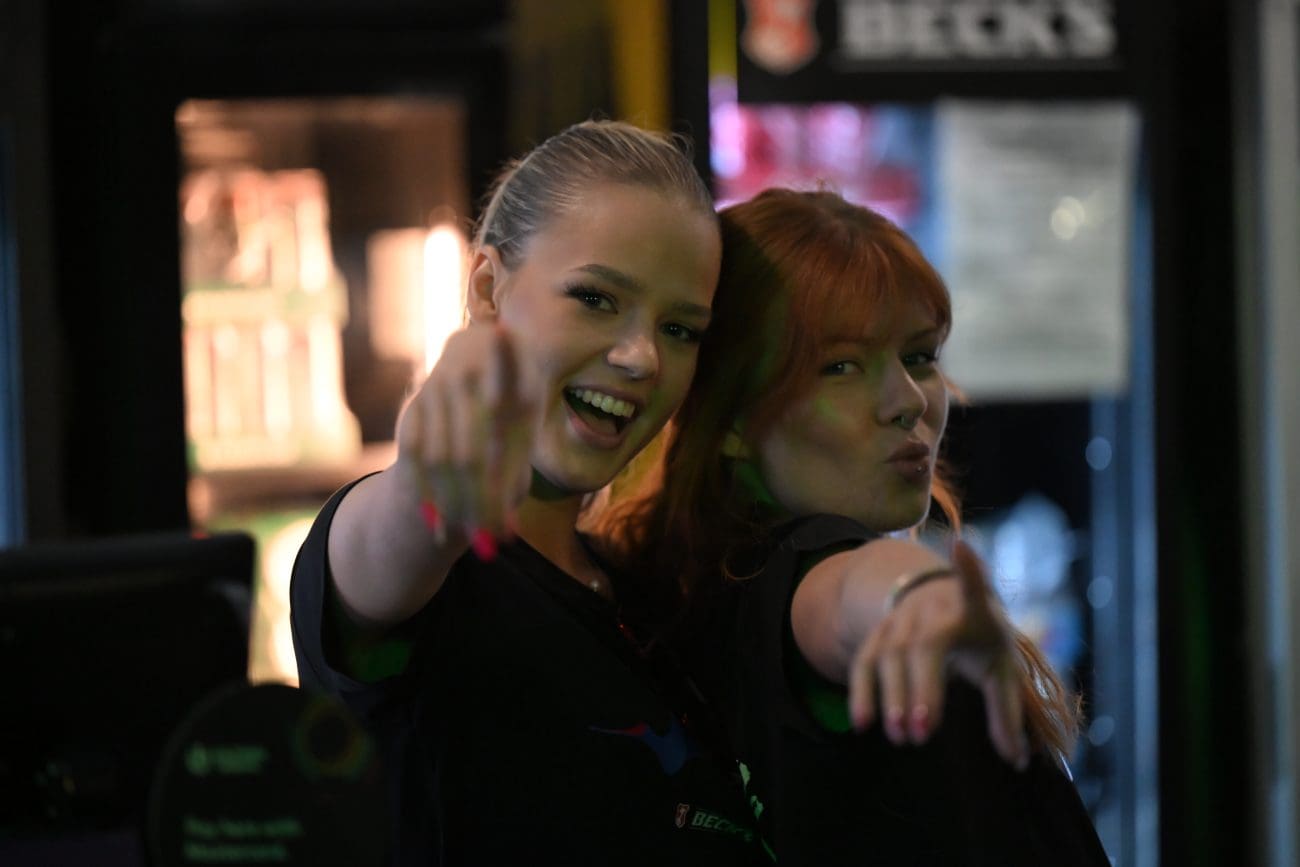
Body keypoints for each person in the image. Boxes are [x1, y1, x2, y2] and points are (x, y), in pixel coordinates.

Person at [289, 120, 768, 866]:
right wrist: (435, 469)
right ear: (487, 288)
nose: (641, 356)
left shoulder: (641, 590)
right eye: (596, 298)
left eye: (680, 329)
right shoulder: (420, 564)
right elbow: (399, 531)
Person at [596, 188, 1110, 866]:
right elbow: (843, 596)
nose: (908, 401)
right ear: (732, 419)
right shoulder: (792, 572)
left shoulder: (702, 586)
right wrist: (913, 596)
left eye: (920, 356)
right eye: (841, 367)